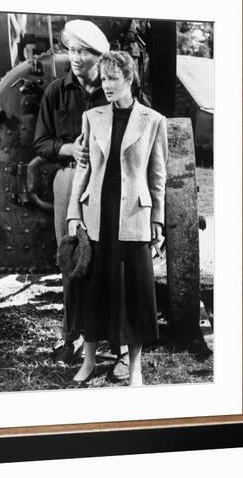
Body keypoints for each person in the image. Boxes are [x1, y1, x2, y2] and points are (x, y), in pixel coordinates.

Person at [66, 51, 168, 386]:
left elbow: (158, 176)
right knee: (93, 291)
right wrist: (72, 214)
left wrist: (158, 220)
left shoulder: (153, 120)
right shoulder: (92, 117)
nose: (106, 85)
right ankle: (90, 361)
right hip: (97, 214)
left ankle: (136, 368)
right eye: (104, 78)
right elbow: (83, 166)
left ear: (129, 79)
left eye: (113, 78)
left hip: (133, 216)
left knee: (135, 294)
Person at [34, 20, 129, 375]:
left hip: (110, 182)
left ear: (98, 55)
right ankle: (70, 336)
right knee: (73, 260)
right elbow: (40, 142)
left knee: (112, 260)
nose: (74, 58)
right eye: (70, 50)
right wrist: (67, 147)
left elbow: (145, 122)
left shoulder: (113, 88)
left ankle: (118, 345)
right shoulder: (57, 91)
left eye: (82, 51)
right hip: (70, 179)